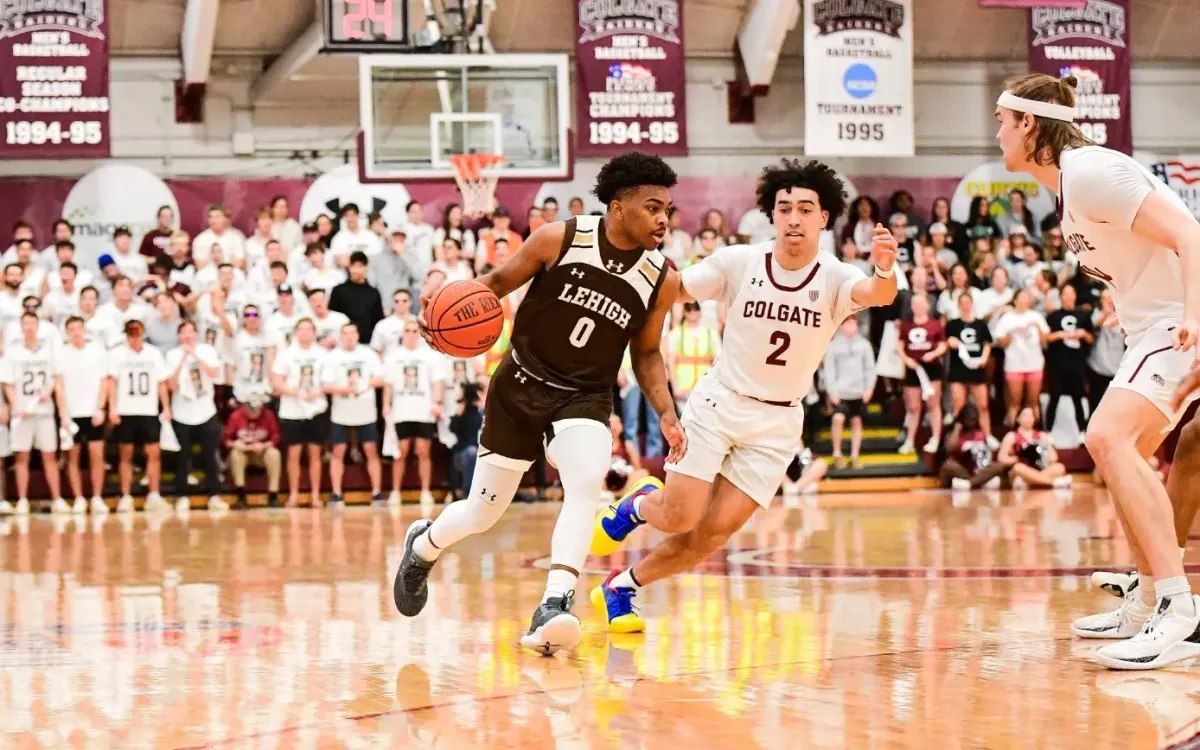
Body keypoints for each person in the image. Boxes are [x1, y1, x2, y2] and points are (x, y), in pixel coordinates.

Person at [588, 158, 898, 634]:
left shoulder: (834, 276)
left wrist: (884, 267)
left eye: (805, 209)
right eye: (784, 208)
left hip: (777, 424)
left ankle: (622, 586)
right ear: (772, 215)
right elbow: (674, 290)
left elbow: (878, 294)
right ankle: (637, 505)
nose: (793, 218)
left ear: (823, 217)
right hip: (720, 403)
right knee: (678, 516)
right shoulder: (739, 261)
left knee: (710, 534)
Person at [393, 152, 684, 656]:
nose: (663, 219)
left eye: (668, 210)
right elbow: (493, 287)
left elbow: (647, 351)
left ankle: (555, 602)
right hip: (519, 387)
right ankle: (423, 545)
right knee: (482, 514)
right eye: (652, 207)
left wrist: (666, 411)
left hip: (584, 396)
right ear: (617, 208)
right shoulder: (560, 238)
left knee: (585, 483)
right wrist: (440, 314)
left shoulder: (662, 279)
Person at [996, 73, 1200, 669]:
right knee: (1137, 452)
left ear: (1029, 124)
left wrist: (1195, 315)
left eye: (1004, 121)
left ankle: (1176, 606)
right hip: (1152, 325)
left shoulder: (1090, 172)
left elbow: (1191, 234)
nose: (998, 133)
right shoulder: (1071, 185)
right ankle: (1145, 603)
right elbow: (1145, 254)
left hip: (1178, 326)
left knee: (1108, 438)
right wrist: (1122, 299)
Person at [0, 312, 71, 515]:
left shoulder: (48, 352)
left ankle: (57, 499)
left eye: (33, 323)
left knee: (49, 456)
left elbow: (56, 379)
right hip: (22, 413)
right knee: (22, 457)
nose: (29, 327)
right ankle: (22, 500)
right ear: (21, 327)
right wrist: (17, 406)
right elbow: (8, 384)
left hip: (45, 412)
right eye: (26, 323)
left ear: (38, 326)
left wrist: (48, 392)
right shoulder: (13, 353)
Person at [106, 320, 170, 513]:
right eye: (130, 333)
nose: (134, 337)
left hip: (148, 410)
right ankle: (126, 496)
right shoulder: (116, 354)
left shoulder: (154, 354)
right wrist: (112, 408)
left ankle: (154, 494)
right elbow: (112, 383)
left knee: (154, 453)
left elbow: (161, 382)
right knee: (126, 454)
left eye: (137, 333)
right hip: (126, 410)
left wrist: (165, 407)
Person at [382, 318, 447, 506]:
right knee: (400, 452)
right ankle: (395, 492)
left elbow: (437, 381)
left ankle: (425, 491)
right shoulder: (393, 356)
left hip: (423, 410)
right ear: (403, 334)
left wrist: (437, 403)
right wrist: (386, 405)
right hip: (401, 410)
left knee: (423, 451)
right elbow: (388, 384)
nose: (411, 334)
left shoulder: (430, 356)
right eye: (407, 330)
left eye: (414, 331)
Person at [165, 320, 227, 514]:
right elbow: (171, 385)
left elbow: (215, 373)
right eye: (183, 332)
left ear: (196, 334)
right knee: (182, 456)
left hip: (205, 411)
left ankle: (214, 495)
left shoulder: (206, 350)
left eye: (190, 331)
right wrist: (183, 359)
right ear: (178, 336)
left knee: (209, 455)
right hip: (182, 412)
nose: (187, 336)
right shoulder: (172, 355)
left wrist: (195, 356)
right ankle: (182, 496)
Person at [322, 322, 385, 506]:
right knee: (338, 452)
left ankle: (377, 492)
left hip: (366, 412)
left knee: (370, 450)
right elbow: (326, 385)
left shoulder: (368, 354)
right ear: (340, 336)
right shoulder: (333, 357)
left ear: (358, 335)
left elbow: (381, 378)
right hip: (341, 413)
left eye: (352, 333)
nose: (349, 337)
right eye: (345, 334)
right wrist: (347, 388)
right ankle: (336, 493)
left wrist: (363, 385)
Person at [270, 318, 328, 508]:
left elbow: (329, 382)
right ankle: (294, 494)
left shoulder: (322, 354)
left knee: (315, 454)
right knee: (293, 455)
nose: (304, 332)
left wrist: (318, 391)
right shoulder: (286, 354)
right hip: (292, 411)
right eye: (301, 329)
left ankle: (315, 495)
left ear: (314, 332)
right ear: (296, 332)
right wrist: (295, 392)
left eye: (308, 329)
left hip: (317, 409)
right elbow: (276, 383)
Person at [60, 316, 109, 515]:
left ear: (84, 329)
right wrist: (64, 415)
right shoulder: (62, 354)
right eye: (71, 329)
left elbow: (104, 381)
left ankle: (97, 497)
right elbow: (59, 386)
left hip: (93, 412)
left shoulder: (97, 351)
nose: (76, 332)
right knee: (73, 457)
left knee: (97, 455)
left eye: (78, 328)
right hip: (72, 414)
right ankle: (78, 498)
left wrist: (100, 407)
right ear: (67, 332)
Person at [823, 316, 876, 468]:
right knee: (838, 419)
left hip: (858, 391)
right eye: (846, 323)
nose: (849, 327)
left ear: (857, 326)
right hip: (840, 391)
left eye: (852, 323)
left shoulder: (864, 345)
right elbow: (829, 371)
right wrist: (832, 391)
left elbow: (870, 368)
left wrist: (869, 388)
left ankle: (854, 455)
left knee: (856, 421)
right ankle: (837, 453)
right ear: (840, 326)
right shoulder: (833, 346)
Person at [897, 294, 947, 455]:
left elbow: (943, 345)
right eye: (915, 304)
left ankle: (935, 438)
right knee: (913, 407)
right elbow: (900, 345)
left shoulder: (935, 324)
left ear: (927, 305)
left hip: (931, 368)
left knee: (933, 404)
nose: (918, 306)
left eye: (921, 303)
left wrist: (933, 354)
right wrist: (906, 359)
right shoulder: (906, 325)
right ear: (911, 307)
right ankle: (910, 440)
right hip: (913, 368)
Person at [993, 289, 1049, 426]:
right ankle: (1012, 433)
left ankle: (1036, 435)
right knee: (1015, 403)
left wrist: (1038, 328)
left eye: (1027, 298)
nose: (1024, 301)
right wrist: (1012, 334)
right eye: (1022, 298)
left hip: (1034, 364)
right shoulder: (1007, 318)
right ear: (1015, 300)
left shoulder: (1036, 317)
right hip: (1014, 365)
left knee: (1033, 402)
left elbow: (1045, 341)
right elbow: (1000, 342)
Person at [945, 293, 995, 446]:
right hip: (958, 369)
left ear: (972, 304)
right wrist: (950, 342)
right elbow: (946, 341)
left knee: (983, 405)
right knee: (958, 405)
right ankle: (956, 438)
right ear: (959, 305)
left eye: (968, 302)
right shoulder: (953, 324)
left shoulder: (980, 324)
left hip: (977, 369)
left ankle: (988, 436)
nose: (966, 305)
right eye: (962, 303)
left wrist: (985, 359)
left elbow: (987, 343)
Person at [1044, 284, 1094, 433]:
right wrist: (1060, 335)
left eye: (1072, 293)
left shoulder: (1084, 315)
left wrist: (1083, 334)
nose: (1069, 296)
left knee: (1078, 398)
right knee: (1054, 398)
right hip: (1057, 364)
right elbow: (1046, 338)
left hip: (1077, 364)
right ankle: (1048, 432)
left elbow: (1091, 339)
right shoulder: (1053, 317)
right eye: (1066, 293)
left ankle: (1082, 432)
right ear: (1061, 297)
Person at [223, 394, 282, 508]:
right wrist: (235, 443)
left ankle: (273, 495)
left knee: (274, 453)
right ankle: (241, 496)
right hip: (243, 453)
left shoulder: (268, 415)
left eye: (256, 410)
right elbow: (225, 439)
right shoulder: (236, 416)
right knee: (235, 454)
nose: (253, 413)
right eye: (250, 410)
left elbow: (276, 436)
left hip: (261, 452)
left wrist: (264, 445)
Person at [997, 405, 1071, 490]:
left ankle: (1032, 482)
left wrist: (1043, 457)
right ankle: (1053, 483)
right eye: (1025, 415)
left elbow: (1054, 457)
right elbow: (1001, 457)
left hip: (1040, 468)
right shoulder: (1011, 436)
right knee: (1018, 468)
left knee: (1059, 467)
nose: (1028, 418)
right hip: (1023, 468)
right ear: (1018, 418)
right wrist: (1016, 459)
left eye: (1030, 416)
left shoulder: (1042, 435)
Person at [939, 405, 1005, 491]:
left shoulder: (981, 433)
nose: (971, 423)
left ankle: (970, 484)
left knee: (999, 466)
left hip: (980, 469)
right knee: (948, 465)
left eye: (973, 420)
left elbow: (993, 450)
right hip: (962, 469)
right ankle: (978, 482)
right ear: (962, 419)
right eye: (969, 420)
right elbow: (950, 449)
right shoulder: (953, 433)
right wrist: (957, 429)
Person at [329, 251, 385, 343]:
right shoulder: (338, 290)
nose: (355, 270)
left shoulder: (373, 293)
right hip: (342, 341)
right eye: (353, 266)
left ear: (365, 268)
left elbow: (378, 320)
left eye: (359, 266)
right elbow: (333, 316)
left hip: (367, 341)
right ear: (349, 267)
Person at [447, 382, 483, 503]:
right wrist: (458, 414)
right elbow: (452, 428)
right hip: (462, 452)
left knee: (477, 453)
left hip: (478, 451)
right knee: (471, 452)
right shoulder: (460, 413)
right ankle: (468, 492)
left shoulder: (480, 413)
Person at [369, 290, 412, 358]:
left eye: (404, 300)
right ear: (392, 303)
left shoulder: (419, 323)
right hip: (389, 366)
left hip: (414, 364)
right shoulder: (382, 325)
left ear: (410, 302)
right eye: (396, 301)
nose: (400, 303)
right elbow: (377, 350)